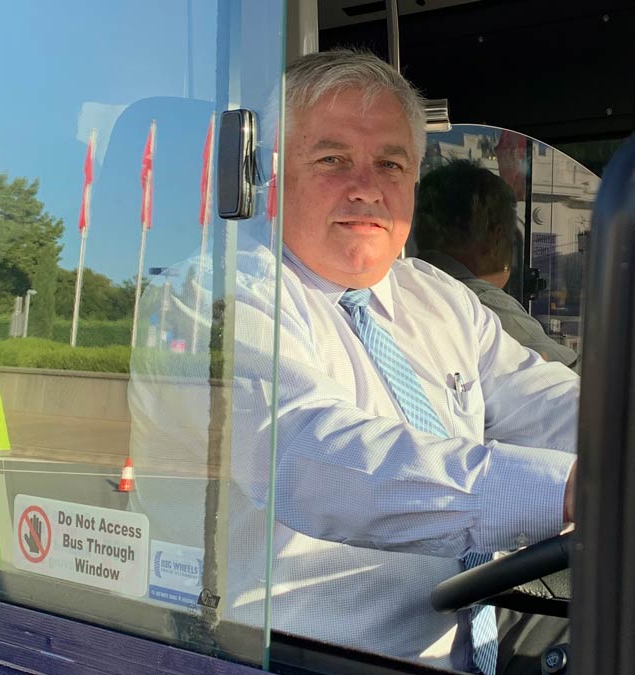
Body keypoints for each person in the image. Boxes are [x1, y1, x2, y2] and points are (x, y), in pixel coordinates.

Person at [214, 49, 579, 675]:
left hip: (472, 642)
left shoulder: (435, 296)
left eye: (390, 163)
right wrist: (569, 490)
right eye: (331, 160)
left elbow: (547, 401)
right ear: (273, 176)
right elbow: (317, 456)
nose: (366, 187)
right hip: (302, 661)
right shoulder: (227, 297)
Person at [413, 160, 579, 369]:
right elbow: (571, 379)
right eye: (512, 238)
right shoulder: (482, 302)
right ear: (496, 236)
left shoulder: (406, 283)